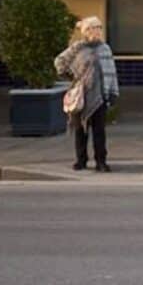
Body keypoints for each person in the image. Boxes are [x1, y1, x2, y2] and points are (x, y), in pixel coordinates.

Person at [55, 14, 114, 172]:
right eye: (94, 28)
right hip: (81, 95)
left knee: (99, 131)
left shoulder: (105, 49)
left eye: (99, 28)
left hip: (99, 96)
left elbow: (111, 72)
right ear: (86, 31)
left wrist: (112, 92)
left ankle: (101, 161)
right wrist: (71, 76)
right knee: (80, 130)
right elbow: (59, 61)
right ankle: (81, 160)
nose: (98, 31)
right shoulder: (77, 48)